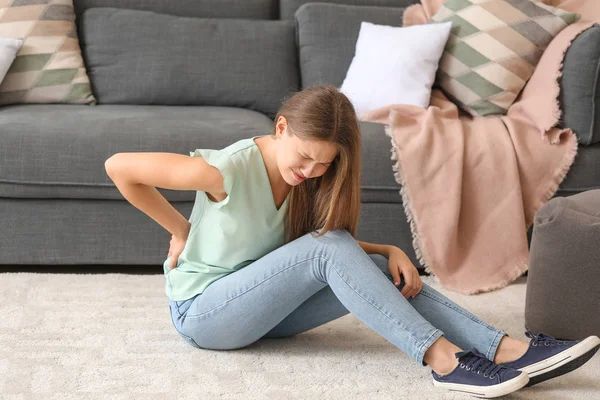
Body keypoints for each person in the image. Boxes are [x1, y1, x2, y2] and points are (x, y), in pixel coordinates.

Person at [104, 85, 599, 398]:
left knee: (366, 264)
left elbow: (311, 251)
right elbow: (119, 168)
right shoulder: (221, 169)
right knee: (331, 245)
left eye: (324, 164)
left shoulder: (308, 178)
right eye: (303, 157)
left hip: (262, 312)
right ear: (281, 127)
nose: (311, 172)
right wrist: (180, 230)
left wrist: (387, 252)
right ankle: (443, 361)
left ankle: (507, 350)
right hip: (204, 315)